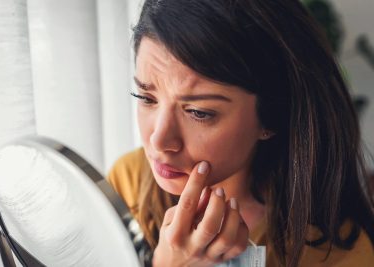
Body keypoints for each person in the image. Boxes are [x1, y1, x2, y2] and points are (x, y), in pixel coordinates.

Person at [107, 0, 374, 266]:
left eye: (199, 113)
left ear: (272, 118)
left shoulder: (336, 255)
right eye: (146, 97)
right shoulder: (128, 183)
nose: (159, 141)